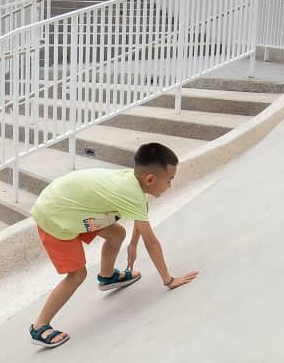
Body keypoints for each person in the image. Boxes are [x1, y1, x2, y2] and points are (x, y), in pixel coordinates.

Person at [26, 142, 198, 348]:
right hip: (54, 216)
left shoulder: (133, 182)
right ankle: (39, 326)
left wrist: (133, 245)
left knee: (117, 233)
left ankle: (107, 277)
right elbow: (151, 242)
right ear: (150, 179)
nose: (170, 185)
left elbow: (140, 218)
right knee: (77, 275)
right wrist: (169, 281)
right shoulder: (130, 193)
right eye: (169, 180)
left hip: (71, 205)